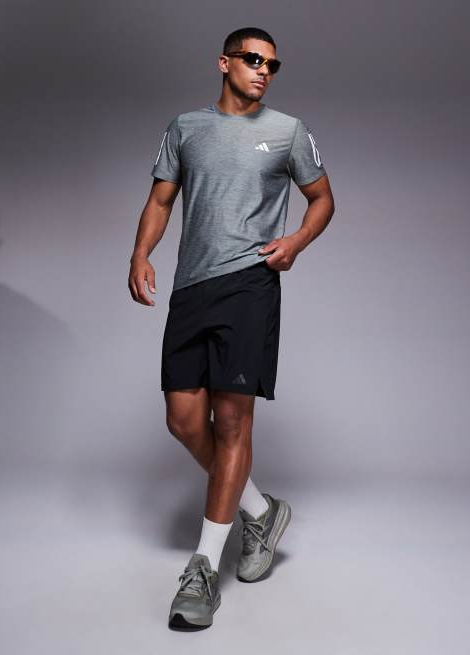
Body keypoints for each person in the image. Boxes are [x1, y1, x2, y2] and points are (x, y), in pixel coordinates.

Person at [128, 26, 335, 629]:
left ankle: (202, 570)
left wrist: (295, 242)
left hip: (249, 285)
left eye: (272, 64)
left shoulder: (288, 131)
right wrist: (140, 253)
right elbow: (161, 200)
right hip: (191, 288)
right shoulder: (185, 128)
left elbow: (323, 198)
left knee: (233, 421)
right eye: (252, 59)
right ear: (224, 62)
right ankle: (262, 512)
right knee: (182, 420)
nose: (263, 70)